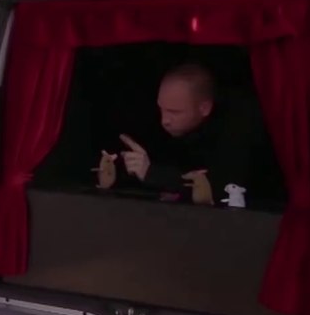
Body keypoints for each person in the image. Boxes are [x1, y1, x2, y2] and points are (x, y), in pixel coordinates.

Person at [97, 62, 256, 207]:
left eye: (175, 112)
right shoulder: (154, 128)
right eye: (161, 109)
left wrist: (152, 173)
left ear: (204, 108)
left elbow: (220, 188)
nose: (164, 120)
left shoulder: (232, 136)